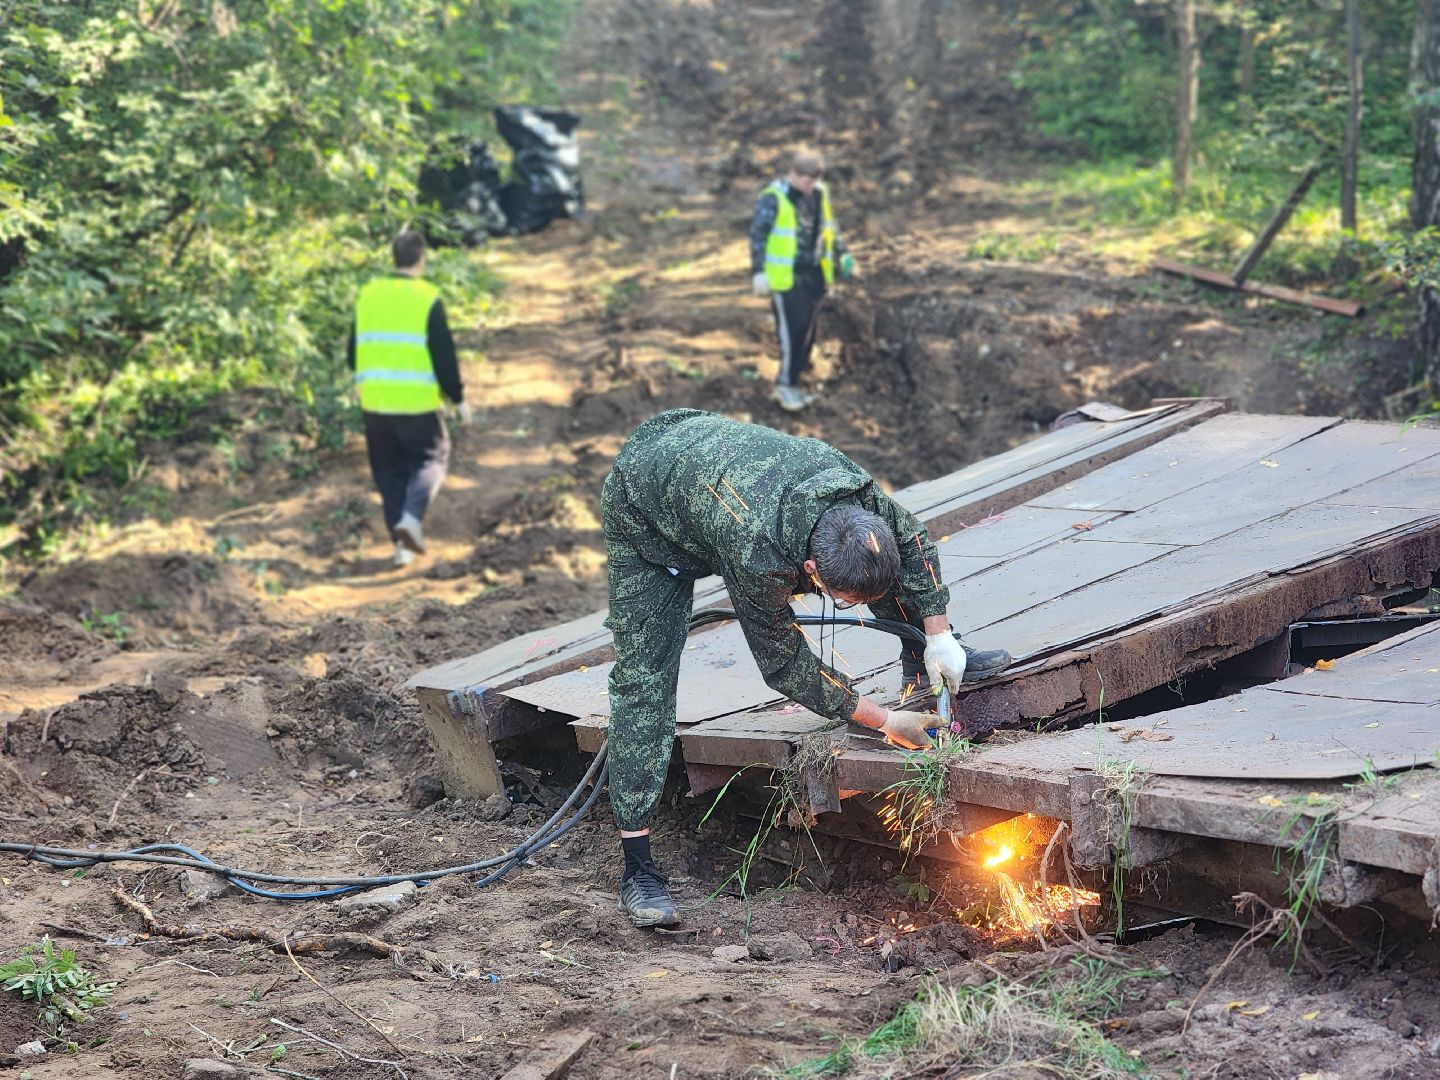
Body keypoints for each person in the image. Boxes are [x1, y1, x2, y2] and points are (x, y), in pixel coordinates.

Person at [601, 409, 1012, 928]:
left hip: (702, 453)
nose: (851, 606)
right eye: (843, 601)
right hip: (648, 512)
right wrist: (884, 721)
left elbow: (912, 544)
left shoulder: (857, 497)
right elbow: (783, 663)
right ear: (810, 572)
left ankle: (922, 666)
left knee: (899, 590)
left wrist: (940, 635)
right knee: (645, 683)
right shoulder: (759, 552)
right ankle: (637, 870)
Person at [346, 229, 469, 568]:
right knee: (432, 459)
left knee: (389, 473)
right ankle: (412, 519)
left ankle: (400, 547)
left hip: (374, 401)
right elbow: (444, 355)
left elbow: (351, 354)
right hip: (416, 402)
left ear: (393, 258)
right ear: (422, 259)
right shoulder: (427, 297)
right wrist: (457, 399)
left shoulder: (368, 295)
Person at [748, 149, 855, 413]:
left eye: (813, 180)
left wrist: (842, 255)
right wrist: (759, 271)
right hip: (787, 278)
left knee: (807, 333)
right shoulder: (774, 198)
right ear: (792, 173)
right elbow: (757, 236)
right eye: (804, 179)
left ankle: (794, 383)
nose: (809, 185)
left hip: (815, 274)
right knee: (790, 333)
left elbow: (830, 229)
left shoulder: (820, 194)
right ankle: (784, 385)